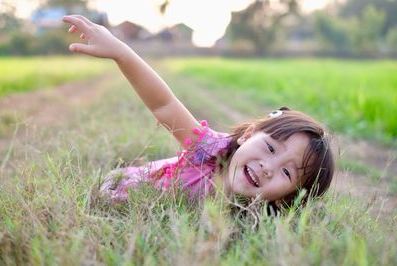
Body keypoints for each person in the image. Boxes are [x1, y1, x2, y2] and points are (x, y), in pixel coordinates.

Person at [62, 15, 334, 210]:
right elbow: (164, 105)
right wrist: (121, 52)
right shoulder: (209, 149)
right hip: (129, 188)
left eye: (287, 174)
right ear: (249, 135)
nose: (268, 167)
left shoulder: (258, 220)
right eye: (271, 149)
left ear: (287, 198)